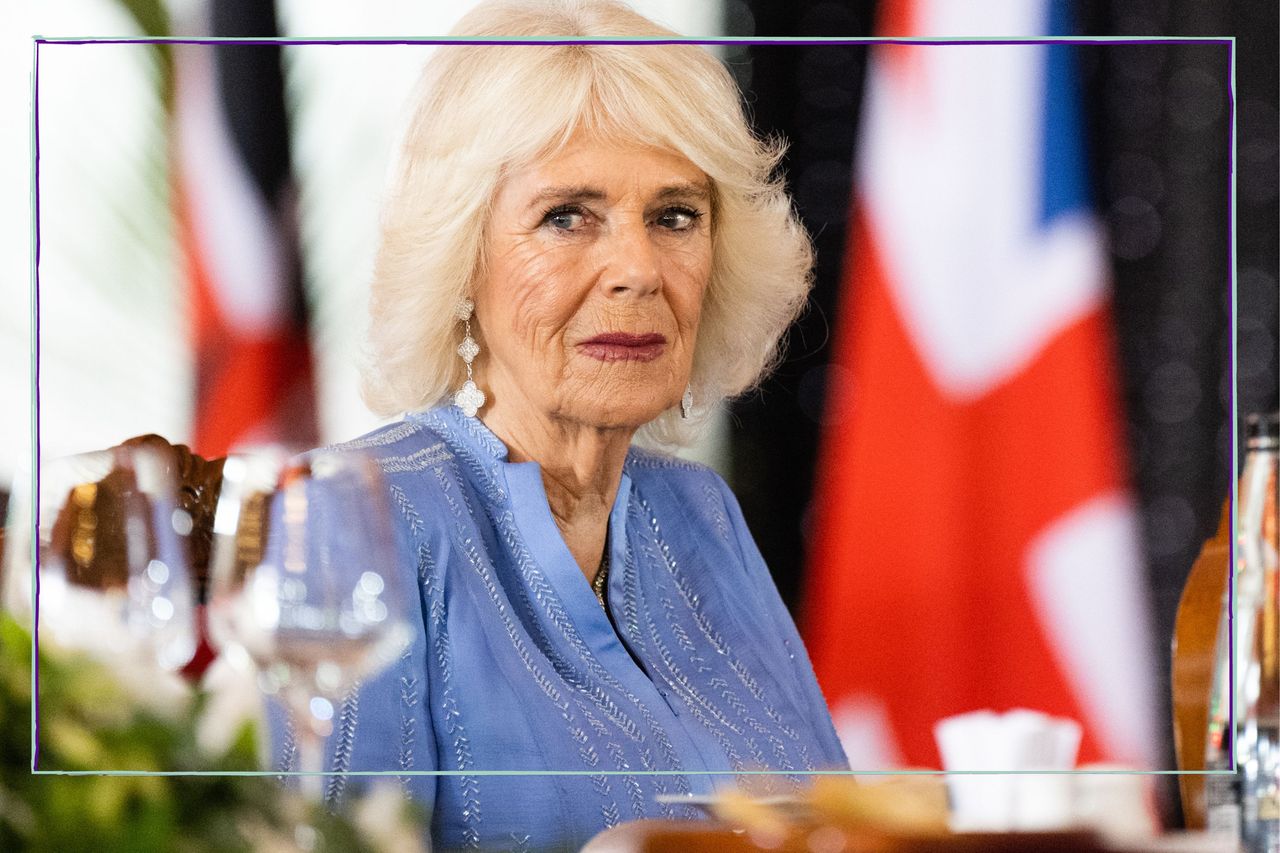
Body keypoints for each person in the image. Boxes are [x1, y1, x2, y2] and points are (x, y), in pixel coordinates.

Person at [276, 0, 849, 847]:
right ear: (463, 258)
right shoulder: (351, 516)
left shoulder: (703, 516)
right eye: (567, 216)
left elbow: (834, 824)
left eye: (675, 215)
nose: (638, 268)